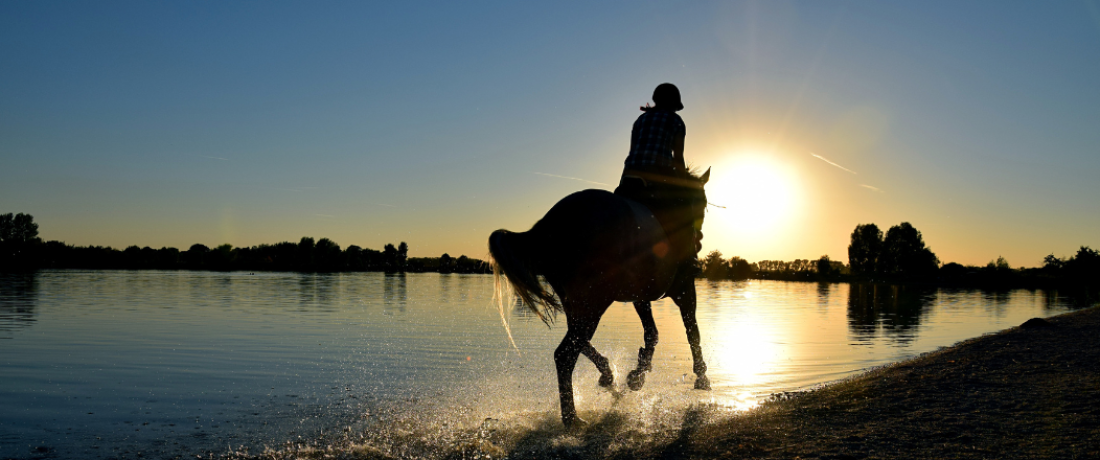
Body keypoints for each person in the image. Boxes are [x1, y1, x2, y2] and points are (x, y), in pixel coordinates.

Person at [614, 83, 703, 265]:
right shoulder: (676, 121)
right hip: (656, 177)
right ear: (673, 103)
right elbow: (678, 159)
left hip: (629, 176)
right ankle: (687, 261)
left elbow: (632, 152)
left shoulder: (640, 120)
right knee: (685, 210)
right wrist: (683, 187)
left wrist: (623, 181)